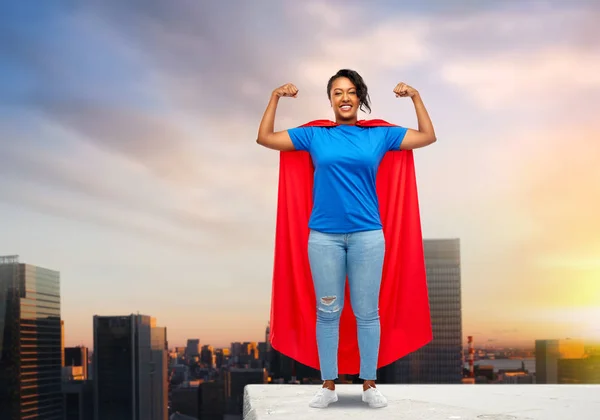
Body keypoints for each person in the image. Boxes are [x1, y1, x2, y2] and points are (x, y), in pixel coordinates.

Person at [256, 69, 436, 408]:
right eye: (337, 92)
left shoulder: (379, 137)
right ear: (330, 100)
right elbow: (265, 138)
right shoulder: (315, 137)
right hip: (323, 237)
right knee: (328, 313)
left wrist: (415, 96)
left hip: (368, 235)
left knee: (367, 313)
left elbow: (427, 136)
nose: (345, 98)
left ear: (360, 97)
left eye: (351, 92)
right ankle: (328, 386)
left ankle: (369, 386)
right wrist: (275, 97)